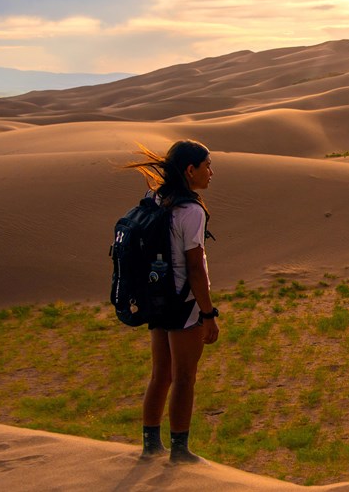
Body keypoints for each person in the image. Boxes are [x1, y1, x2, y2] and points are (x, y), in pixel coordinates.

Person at [125, 140, 220, 463]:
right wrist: (208, 313)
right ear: (190, 170)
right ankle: (180, 450)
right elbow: (195, 268)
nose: (211, 173)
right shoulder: (190, 211)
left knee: (160, 374)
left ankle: (151, 444)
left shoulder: (156, 199)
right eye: (207, 166)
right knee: (184, 377)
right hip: (183, 303)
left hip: (157, 298)